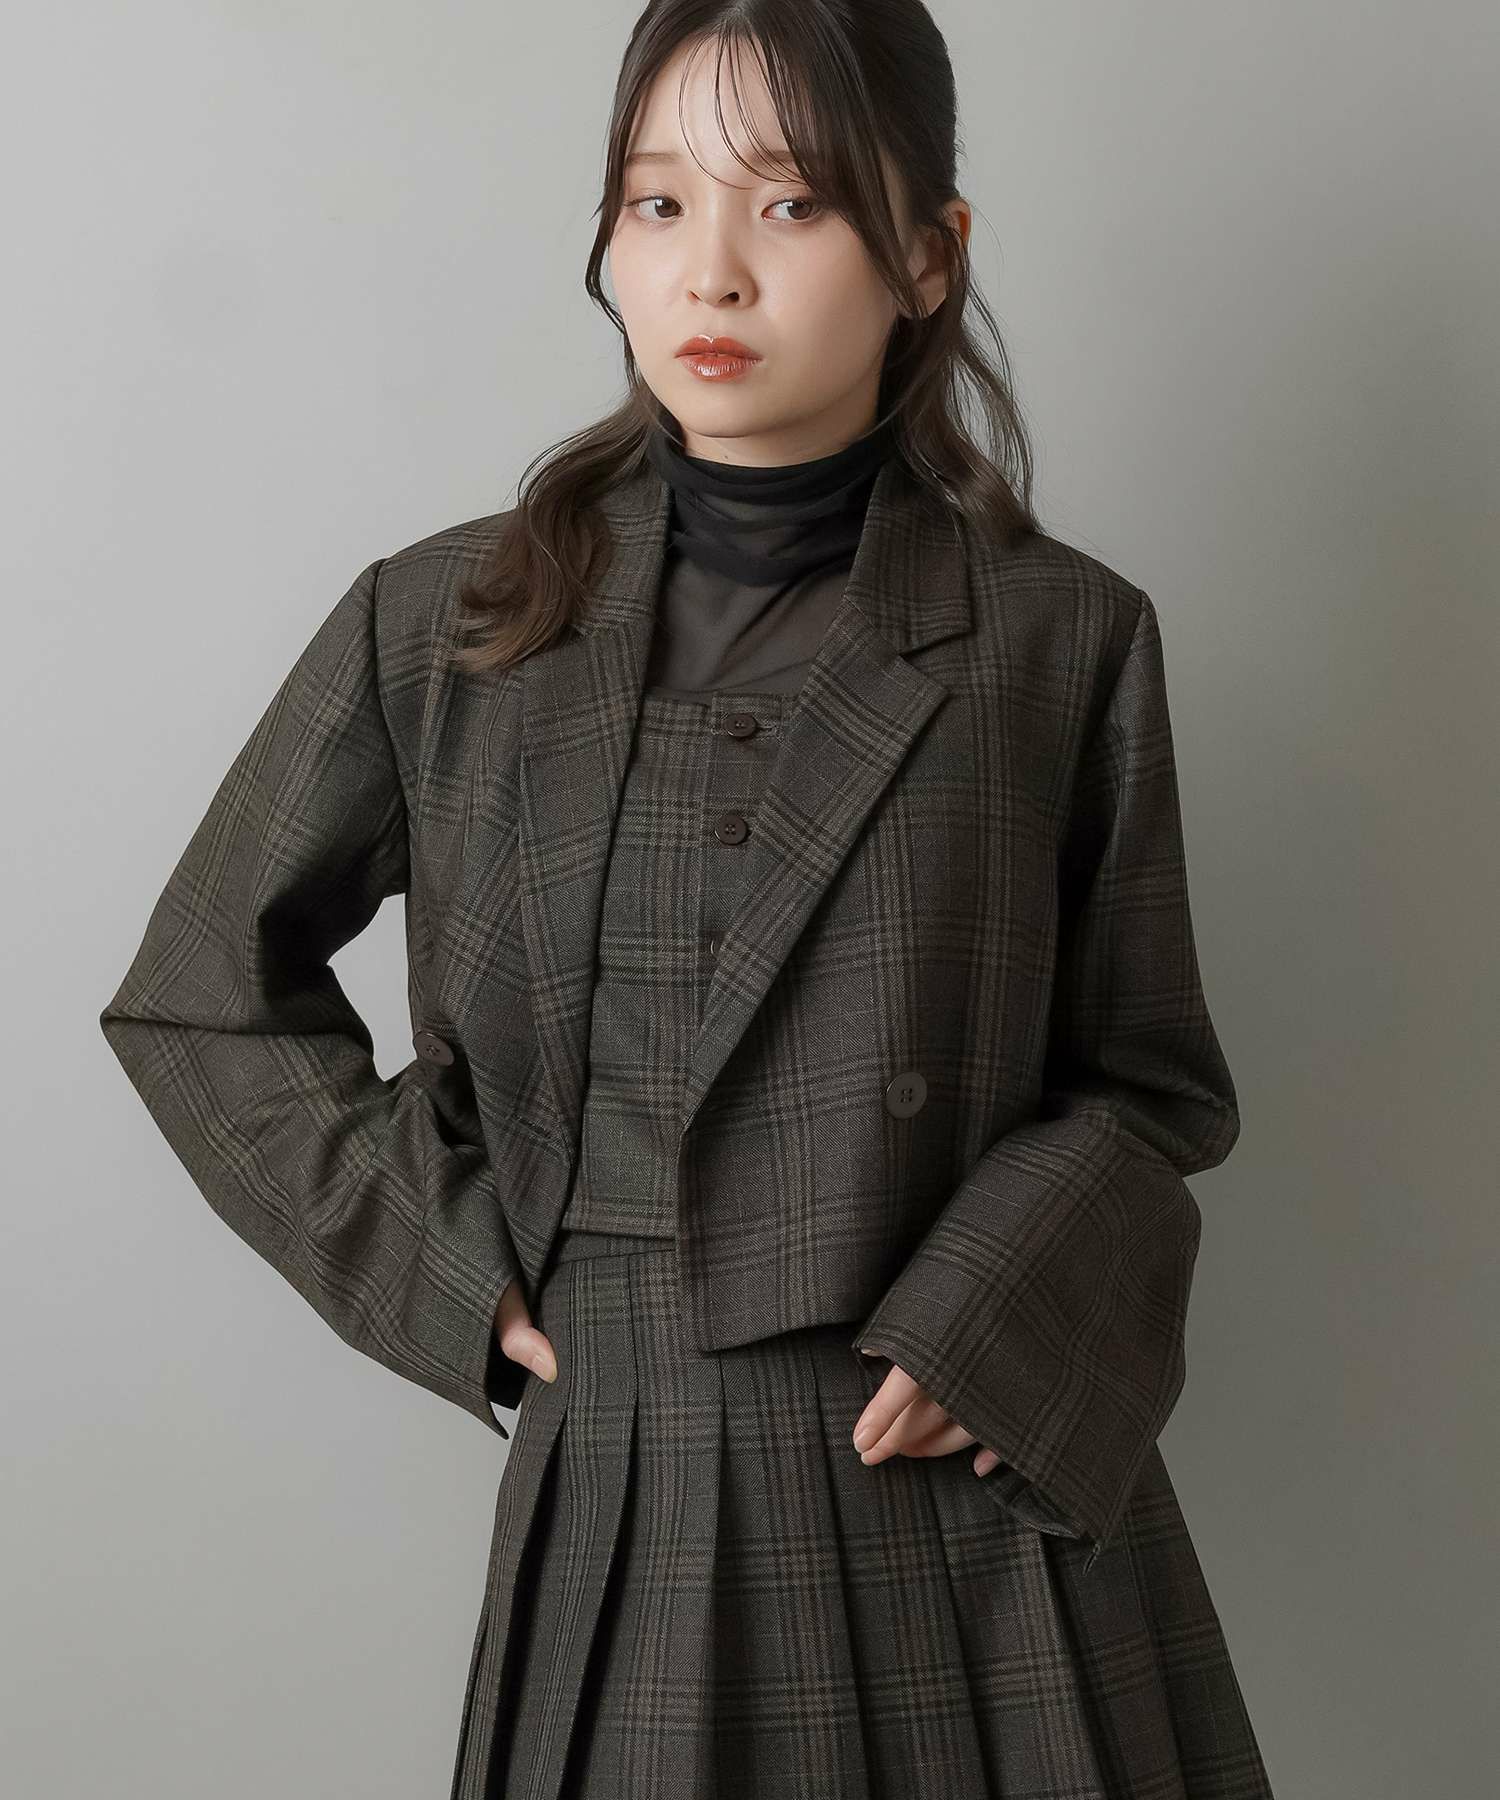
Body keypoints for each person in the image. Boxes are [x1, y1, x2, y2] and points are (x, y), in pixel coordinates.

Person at [100, 3, 1277, 1796]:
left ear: (929, 255)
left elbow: (1149, 1087)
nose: (710, 269)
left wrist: (998, 1313)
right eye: (657, 203)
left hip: (962, 1497)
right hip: (627, 1473)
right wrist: (453, 1267)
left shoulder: (1061, 641)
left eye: (792, 204)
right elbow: (200, 996)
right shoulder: (446, 626)